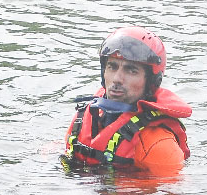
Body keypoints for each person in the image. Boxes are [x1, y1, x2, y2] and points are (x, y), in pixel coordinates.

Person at [64, 26, 191, 173]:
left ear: (151, 82)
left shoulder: (159, 145)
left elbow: (168, 191)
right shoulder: (85, 118)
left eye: (131, 70)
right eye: (112, 67)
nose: (117, 79)